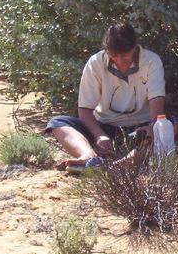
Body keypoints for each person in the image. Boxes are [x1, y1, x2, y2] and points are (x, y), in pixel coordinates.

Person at [45, 23, 169, 171]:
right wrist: (99, 135)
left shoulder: (151, 61)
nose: (120, 61)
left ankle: (121, 164)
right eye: (114, 56)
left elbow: (157, 99)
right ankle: (88, 157)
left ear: (135, 47)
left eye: (125, 55)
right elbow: (85, 109)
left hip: (140, 128)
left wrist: (152, 127)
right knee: (57, 122)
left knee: (169, 127)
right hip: (105, 127)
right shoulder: (96, 62)